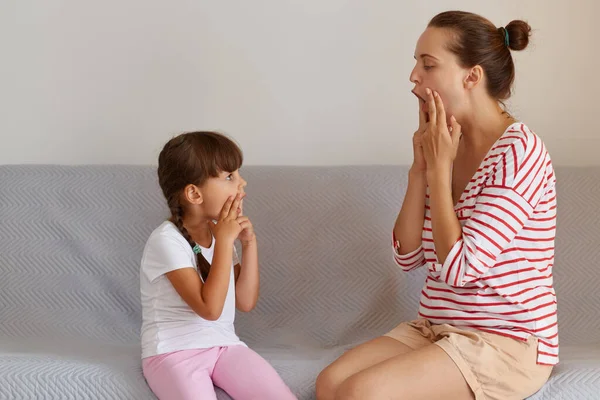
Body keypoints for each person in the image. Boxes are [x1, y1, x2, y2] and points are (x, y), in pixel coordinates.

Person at [316, 10, 557, 400]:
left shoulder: (519, 152)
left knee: (360, 393)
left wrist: (441, 172)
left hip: (505, 342)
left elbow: (461, 268)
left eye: (428, 65)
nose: (414, 75)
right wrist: (421, 168)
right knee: (329, 384)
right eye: (415, 63)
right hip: (437, 328)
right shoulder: (445, 141)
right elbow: (407, 256)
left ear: (471, 76)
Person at [140, 131, 296, 400]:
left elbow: (245, 301)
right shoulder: (166, 241)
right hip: (173, 352)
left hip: (224, 347)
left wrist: (249, 244)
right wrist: (224, 242)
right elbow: (209, 309)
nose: (242, 182)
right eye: (229, 177)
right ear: (194, 193)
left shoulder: (218, 234)